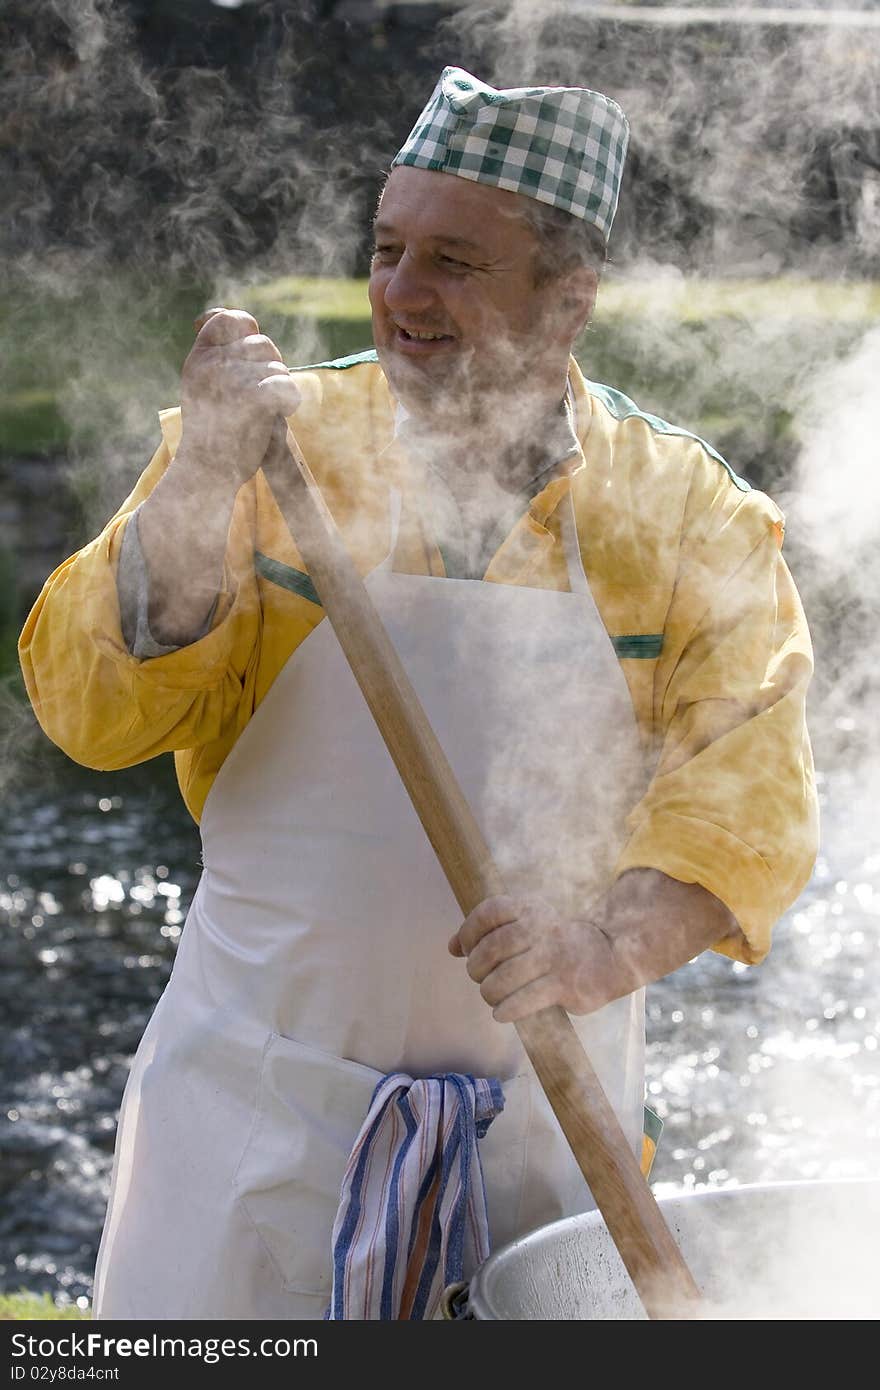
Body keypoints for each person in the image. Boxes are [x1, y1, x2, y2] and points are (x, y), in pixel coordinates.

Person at [19, 68, 818, 1320]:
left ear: (568, 300)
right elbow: (96, 710)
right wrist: (198, 484)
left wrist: (605, 942)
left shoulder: (686, 516)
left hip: (541, 1135)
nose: (400, 293)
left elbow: (748, 798)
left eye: (454, 260)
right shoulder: (275, 446)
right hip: (253, 1130)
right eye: (388, 250)